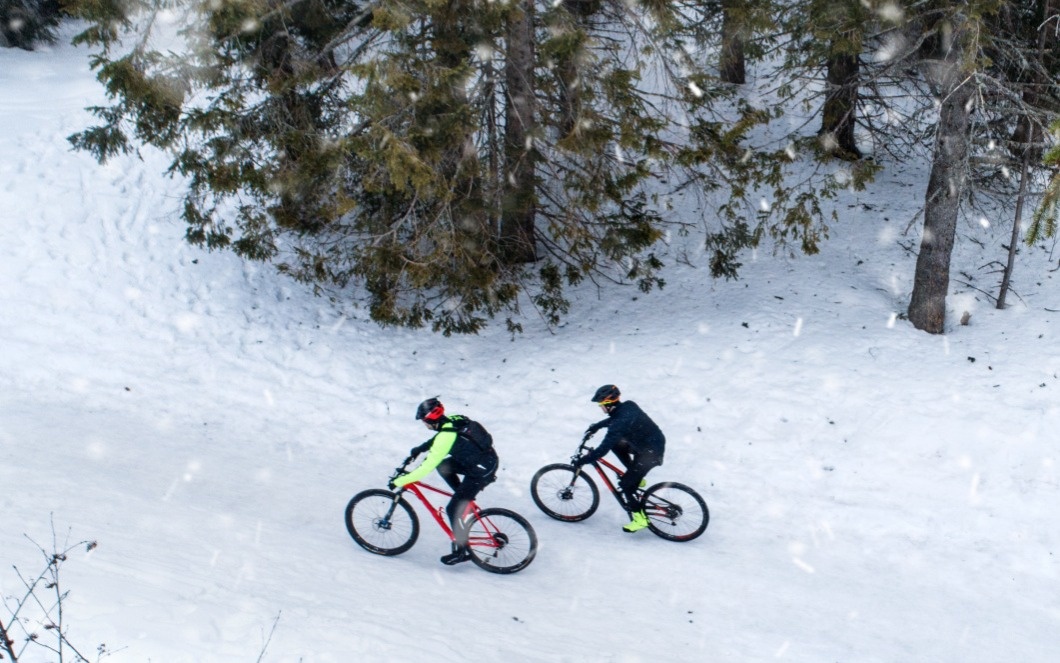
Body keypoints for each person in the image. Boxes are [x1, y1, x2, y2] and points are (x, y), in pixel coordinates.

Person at [391, 397, 499, 565]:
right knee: (443, 466)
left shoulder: (445, 438)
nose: (424, 424)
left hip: (481, 471)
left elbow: (424, 469)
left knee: (452, 509)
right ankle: (463, 498)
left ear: (430, 420)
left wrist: (400, 481)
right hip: (485, 460)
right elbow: (439, 438)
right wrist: (419, 449)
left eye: (424, 421)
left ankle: (462, 551)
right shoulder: (453, 420)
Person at [574, 384, 666, 533]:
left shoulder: (618, 424)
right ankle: (636, 477)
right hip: (649, 444)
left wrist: (584, 460)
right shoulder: (628, 406)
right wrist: (597, 426)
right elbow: (617, 418)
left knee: (626, 486)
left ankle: (640, 519)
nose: (600, 408)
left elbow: (602, 449)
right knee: (617, 445)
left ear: (608, 404)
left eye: (600, 405)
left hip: (650, 453)